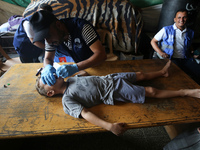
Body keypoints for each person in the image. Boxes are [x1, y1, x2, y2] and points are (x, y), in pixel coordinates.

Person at [35, 60, 200, 136]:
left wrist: (72, 69)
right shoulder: (67, 100)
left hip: (110, 78)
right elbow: (85, 113)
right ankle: (186, 92)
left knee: (140, 75)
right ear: (50, 93)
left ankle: (162, 72)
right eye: (48, 81)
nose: (53, 77)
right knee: (150, 91)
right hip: (114, 90)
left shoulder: (69, 79)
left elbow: (85, 74)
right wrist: (109, 126)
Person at [30, 10, 107, 86]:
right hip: (81, 67)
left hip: (98, 64)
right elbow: (48, 59)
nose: (48, 42)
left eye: (48, 35)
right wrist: (47, 67)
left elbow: (101, 54)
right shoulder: (51, 39)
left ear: (58, 25)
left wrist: (76, 67)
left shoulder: (82, 27)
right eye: (44, 38)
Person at [151, 9, 200, 85]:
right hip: (170, 59)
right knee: (178, 76)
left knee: (198, 71)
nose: (181, 20)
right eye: (179, 17)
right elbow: (153, 41)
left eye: (184, 17)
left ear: (187, 19)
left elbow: (189, 45)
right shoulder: (166, 30)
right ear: (175, 19)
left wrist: (193, 52)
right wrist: (160, 53)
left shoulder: (190, 32)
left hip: (185, 59)